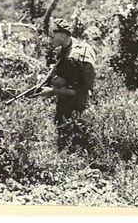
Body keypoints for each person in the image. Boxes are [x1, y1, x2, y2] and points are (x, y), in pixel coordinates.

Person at [40, 19, 96, 152]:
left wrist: (51, 91)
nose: (50, 39)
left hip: (75, 104)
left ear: (63, 36)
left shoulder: (72, 58)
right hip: (77, 99)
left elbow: (75, 92)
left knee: (70, 140)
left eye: (52, 37)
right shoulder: (71, 44)